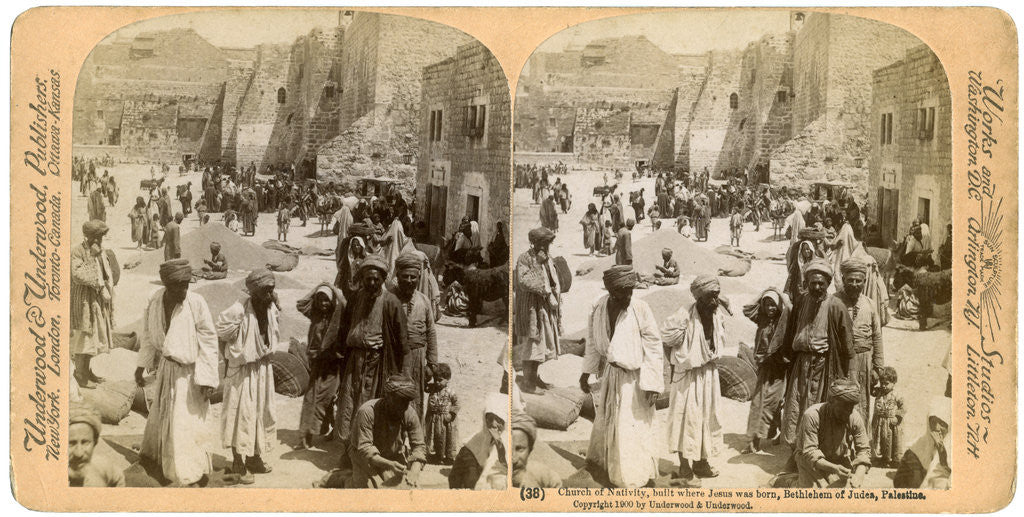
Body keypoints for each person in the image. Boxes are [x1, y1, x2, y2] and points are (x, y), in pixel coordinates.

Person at [135, 259, 220, 487]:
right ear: (166, 284)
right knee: (165, 419)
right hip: (166, 370)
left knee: (186, 425)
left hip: (189, 376)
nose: (183, 290)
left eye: (186, 285)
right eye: (178, 286)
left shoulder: (196, 303)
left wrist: (208, 378)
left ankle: (189, 471)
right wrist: (140, 365)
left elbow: (209, 341)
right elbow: (148, 335)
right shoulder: (154, 301)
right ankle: (163, 463)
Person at [580, 265, 664, 488]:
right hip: (611, 375)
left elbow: (654, 346)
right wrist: (585, 372)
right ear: (611, 291)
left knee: (631, 427)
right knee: (610, 423)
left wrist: (653, 384)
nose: (628, 296)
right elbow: (592, 341)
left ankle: (631, 477)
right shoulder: (598, 307)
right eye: (623, 292)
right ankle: (610, 467)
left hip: (634, 381)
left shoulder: (641, 308)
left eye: (631, 290)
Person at [780, 259, 855, 462]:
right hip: (801, 366)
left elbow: (848, 345)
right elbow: (791, 331)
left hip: (825, 366)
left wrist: (845, 375)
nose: (817, 287)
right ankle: (797, 453)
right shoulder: (802, 302)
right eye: (813, 282)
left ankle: (817, 456)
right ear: (807, 282)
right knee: (796, 407)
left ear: (828, 283)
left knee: (820, 410)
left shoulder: (836, 306)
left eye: (821, 283)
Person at [335, 255, 408, 455]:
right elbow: (344, 327)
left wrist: (399, 371)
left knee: (371, 407)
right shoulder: (356, 298)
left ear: (383, 279)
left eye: (376, 279)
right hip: (354, 362)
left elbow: (402, 341)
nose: (372, 283)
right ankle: (349, 450)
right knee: (349, 404)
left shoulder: (391, 302)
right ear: (362, 279)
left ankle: (369, 452)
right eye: (368, 279)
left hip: (378, 363)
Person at [662, 275, 726, 484]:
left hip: (708, 374)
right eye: (710, 297)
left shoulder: (717, 316)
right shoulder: (683, 317)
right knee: (684, 419)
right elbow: (666, 340)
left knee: (707, 418)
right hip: (686, 376)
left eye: (717, 296)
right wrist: (673, 369)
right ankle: (684, 465)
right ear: (699, 298)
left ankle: (701, 463)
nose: (715, 302)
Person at [217, 269, 279, 484]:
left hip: (262, 369)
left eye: (272, 291)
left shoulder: (271, 310)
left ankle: (254, 458)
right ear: (253, 292)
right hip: (241, 372)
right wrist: (227, 365)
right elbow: (221, 336)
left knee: (259, 414)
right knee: (239, 416)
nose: (270, 296)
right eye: (265, 292)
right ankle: (237, 461)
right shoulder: (238, 311)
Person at [346, 375, 427, 488]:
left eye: (407, 402)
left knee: (408, 489)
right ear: (388, 397)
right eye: (400, 401)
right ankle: (341, 478)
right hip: (365, 457)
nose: (404, 406)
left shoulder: (409, 413)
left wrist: (414, 470)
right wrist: (389, 465)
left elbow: (419, 446)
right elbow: (365, 449)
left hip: (392, 456)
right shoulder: (367, 411)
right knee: (371, 490)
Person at [793, 379, 872, 488]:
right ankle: (785, 481)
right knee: (815, 494)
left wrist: (859, 474)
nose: (848, 412)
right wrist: (834, 468)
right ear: (831, 401)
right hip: (811, 462)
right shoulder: (812, 415)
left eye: (851, 407)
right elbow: (810, 452)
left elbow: (864, 450)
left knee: (846, 493)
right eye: (844, 407)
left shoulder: (853, 416)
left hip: (838, 461)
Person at [296, 283, 347, 450]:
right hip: (317, 364)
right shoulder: (315, 315)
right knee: (311, 398)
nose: (323, 304)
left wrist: (332, 289)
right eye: (320, 300)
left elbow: (344, 303)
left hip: (333, 364)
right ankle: (306, 436)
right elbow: (302, 303)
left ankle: (332, 429)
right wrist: (320, 285)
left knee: (328, 397)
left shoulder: (338, 317)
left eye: (327, 301)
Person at [836, 258, 884, 428]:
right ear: (843, 280)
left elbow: (877, 337)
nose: (855, 284)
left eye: (858, 281)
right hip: (841, 363)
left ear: (864, 281)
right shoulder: (833, 302)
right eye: (851, 280)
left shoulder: (870, 305)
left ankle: (860, 446)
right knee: (840, 401)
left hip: (864, 361)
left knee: (862, 402)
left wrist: (878, 367)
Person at [512, 228, 562, 394]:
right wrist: (538, 263)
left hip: (544, 309)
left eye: (547, 244)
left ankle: (535, 377)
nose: (545, 247)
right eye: (543, 244)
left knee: (541, 346)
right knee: (531, 346)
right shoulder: (525, 258)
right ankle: (528, 383)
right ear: (535, 243)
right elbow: (523, 282)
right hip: (530, 309)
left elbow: (552, 279)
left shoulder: (547, 258)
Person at [742, 288, 792, 453]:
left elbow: (791, 309)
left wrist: (780, 295)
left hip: (779, 369)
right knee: (758, 404)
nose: (770, 308)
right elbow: (748, 308)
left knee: (773, 403)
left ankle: (778, 432)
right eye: (767, 304)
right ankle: (754, 441)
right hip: (764, 369)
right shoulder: (761, 320)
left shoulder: (783, 321)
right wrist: (765, 291)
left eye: (773, 305)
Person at [390, 251, 438, 419]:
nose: (409, 281)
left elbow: (431, 332)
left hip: (418, 357)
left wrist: (432, 363)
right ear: (398, 275)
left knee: (415, 398)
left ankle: (414, 440)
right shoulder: (389, 298)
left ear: (419, 278)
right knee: (394, 397)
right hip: (395, 358)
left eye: (413, 277)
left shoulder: (424, 301)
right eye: (405, 276)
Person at [71, 220, 116, 389]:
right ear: (89, 237)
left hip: (96, 301)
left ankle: (87, 371)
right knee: (84, 339)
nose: (100, 240)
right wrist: (91, 256)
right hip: (83, 302)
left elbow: (105, 272)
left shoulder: (99, 251)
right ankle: (80, 375)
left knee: (94, 338)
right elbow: (77, 275)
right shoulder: (78, 251)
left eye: (101, 237)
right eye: (97, 237)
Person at [449, 392, 508, 489]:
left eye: (499, 419)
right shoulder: (471, 446)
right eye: (489, 418)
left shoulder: (514, 445)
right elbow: (455, 479)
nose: (493, 424)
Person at [893, 397, 950, 488]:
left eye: (942, 424)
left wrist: (942, 454)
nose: (936, 428)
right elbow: (900, 484)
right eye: (933, 422)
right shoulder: (914, 453)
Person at [69, 406, 125, 487]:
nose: (79, 453)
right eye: (71, 443)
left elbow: (118, 478)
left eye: (85, 442)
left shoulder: (103, 468)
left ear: (95, 443)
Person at [510, 411, 562, 488]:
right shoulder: (488, 481)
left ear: (530, 450)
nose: (513, 460)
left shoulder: (545, 477)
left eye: (519, 449)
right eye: (507, 449)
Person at [424, 363, 459, 465]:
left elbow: (457, 403)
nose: (437, 382)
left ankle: (449, 457)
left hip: (445, 419)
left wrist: (451, 414)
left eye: (440, 380)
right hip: (433, 418)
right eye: (435, 380)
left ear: (447, 379)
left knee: (447, 437)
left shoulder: (450, 391)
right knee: (436, 436)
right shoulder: (433, 388)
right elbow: (424, 386)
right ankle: (437, 456)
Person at [871, 366, 905, 467]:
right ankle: (884, 459)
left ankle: (895, 460)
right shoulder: (879, 392)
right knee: (882, 439)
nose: (884, 386)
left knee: (892, 440)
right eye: (882, 383)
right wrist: (873, 380)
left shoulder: (896, 395)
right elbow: (870, 390)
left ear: (894, 383)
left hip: (891, 423)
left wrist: (897, 417)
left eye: (887, 384)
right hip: (879, 422)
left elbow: (904, 407)